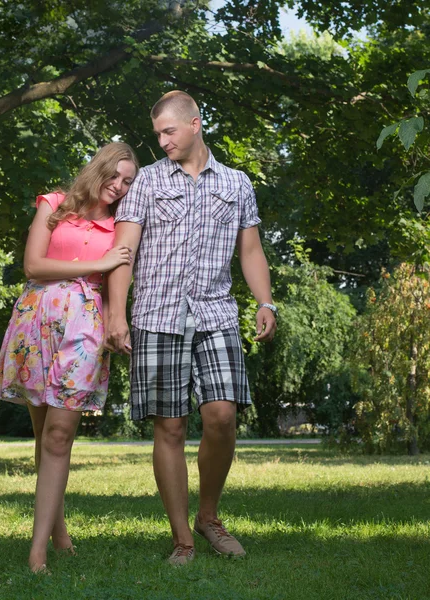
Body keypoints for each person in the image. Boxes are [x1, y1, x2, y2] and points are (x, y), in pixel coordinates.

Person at [105, 91, 277, 565]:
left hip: (216, 314)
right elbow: (124, 253)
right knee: (172, 426)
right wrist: (116, 315)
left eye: (169, 132)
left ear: (195, 124)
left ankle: (208, 517)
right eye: (157, 133)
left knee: (221, 416)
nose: (161, 141)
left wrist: (266, 302)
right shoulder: (147, 183)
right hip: (157, 316)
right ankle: (182, 538)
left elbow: (251, 251)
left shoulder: (238, 183)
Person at [0, 142, 139, 572]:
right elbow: (33, 266)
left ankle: (36, 550)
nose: (118, 186)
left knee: (59, 434)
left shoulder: (121, 226)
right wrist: (97, 260)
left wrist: (118, 319)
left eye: (128, 181)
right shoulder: (54, 204)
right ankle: (58, 533)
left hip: (85, 325)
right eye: (114, 175)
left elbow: (120, 276)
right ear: (98, 170)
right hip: (36, 318)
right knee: (42, 434)